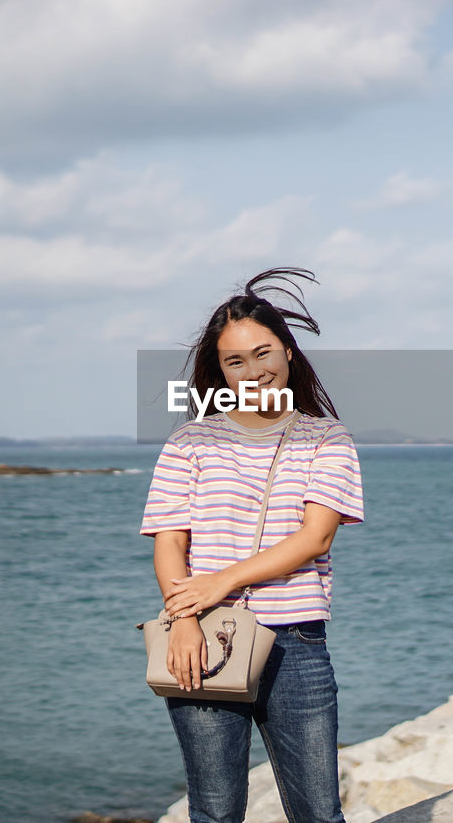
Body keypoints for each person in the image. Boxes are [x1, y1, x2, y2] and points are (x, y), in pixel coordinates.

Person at [140, 267, 365, 823]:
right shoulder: (190, 440)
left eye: (262, 353)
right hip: (203, 639)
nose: (252, 371)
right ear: (220, 370)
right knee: (215, 813)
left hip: (297, 646)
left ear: (287, 351)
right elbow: (169, 543)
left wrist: (223, 580)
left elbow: (314, 538)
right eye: (234, 361)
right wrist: (185, 620)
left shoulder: (325, 437)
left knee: (318, 813)